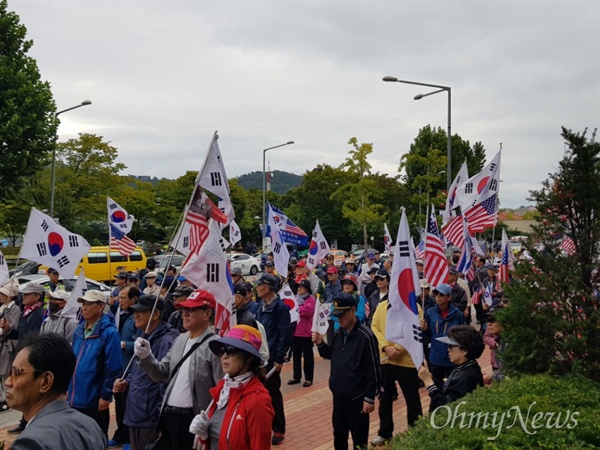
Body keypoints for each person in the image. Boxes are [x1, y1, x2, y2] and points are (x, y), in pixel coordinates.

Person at [135, 289, 223, 450]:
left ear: (207, 313)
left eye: (191, 310)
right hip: (168, 417)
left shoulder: (215, 346)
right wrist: (146, 357)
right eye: (184, 310)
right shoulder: (179, 340)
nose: (184, 314)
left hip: (193, 420)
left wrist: (211, 423)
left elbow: (222, 392)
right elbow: (161, 373)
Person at [6, 333, 107, 450]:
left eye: (16, 373)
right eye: (10, 373)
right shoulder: (91, 426)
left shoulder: (30, 443)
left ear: (45, 381)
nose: (8, 382)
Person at [188, 325, 275, 450]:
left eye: (231, 349)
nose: (224, 356)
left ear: (249, 357)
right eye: (222, 350)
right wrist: (205, 436)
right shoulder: (223, 390)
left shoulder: (258, 401)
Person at [312, 293, 381, 450]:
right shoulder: (339, 333)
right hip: (339, 398)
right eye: (336, 315)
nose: (338, 319)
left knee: (359, 441)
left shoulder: (366, 336)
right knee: (339, 437)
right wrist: (321, 344)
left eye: (341, 315)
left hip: (357, 399)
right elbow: (332, 355)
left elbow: (374, 369)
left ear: (353, 311)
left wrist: (370, 398)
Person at [113, 296, 179, 450]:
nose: (135, 315)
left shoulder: (166, 341)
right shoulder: (144, 337)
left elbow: (165, 380)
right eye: (134, 311)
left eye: (141, 312)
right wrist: (126, 382)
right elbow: (138, 371)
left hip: (150, 417)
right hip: (136, 411)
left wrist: (162, 421)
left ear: (155, 314)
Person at [369, 295, 423, 446]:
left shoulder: (413, 307)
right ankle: (384, 433)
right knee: (385, 399)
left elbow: (415, 330)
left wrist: (398, 349)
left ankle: (416, 431)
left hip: (406, 362)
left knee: (412, 399)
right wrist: (386, 347)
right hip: (385, 360)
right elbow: (375, 327)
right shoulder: (381, 307)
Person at [68, 289, 122, 437]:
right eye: (83, 303)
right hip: (74, 397)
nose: (84, 308)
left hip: (94, 400)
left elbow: (113, 367)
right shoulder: (79, 330)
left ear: (100, 307)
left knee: (95, 439)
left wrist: (105, 395)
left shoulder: (109, 333)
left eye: (89, 304)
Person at [255, 273, 291, 445]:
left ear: (267, 288)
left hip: (272, 357)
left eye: (259, 285)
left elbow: (284, 334)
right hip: (259, 355)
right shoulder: (258, 306)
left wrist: (279, 359)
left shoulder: (280, 308)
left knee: (273, 393)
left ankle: (279, 429)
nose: (256, 288)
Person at [418, 325, 484, 411]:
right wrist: (432, 379)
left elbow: (445, 406)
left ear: (464, 350)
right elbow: (449, 390)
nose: (448, 349)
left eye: (451, 346)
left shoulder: (468, 376)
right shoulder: (464, 367)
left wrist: (428, 382)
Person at [109, 285, 141, 449]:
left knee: (130, 405)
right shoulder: (117, 315)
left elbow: (143, 341)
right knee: (120, 405)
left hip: (132, 367)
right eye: (118, 297)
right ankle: (120, 434)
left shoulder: (138, 317)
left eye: (123, 298)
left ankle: (130, 439)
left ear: (134, 299)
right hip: (119, 366)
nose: (119, 301)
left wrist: (125, 344)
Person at [421, 283, 465, 385]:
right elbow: (427, 335)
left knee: (454, 386)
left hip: (452, 357)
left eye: (441, 295)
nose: (438, 297)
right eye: (436, 295)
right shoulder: (430, 312)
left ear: (449, 297)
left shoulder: (457, 314)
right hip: (436, 357)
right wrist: (425, 329)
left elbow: (463, 334)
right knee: (437, 386)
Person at [287, 279, 316, 387]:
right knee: (296, 356)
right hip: (295, 332)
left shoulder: (311, 299)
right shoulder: (295, 298)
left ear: (307, 289)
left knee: (308, 356)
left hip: (306, 332)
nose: (299, 288)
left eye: (302, 287)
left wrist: (296, 307)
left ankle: (309, 378)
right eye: (299, 287)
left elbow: (307, 311)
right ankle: (296, 376)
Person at [0, 280, 20, 413]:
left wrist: (4, 328)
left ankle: (7, 399)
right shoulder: (2, 308)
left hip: (7, 345)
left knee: (5, 372)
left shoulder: (14, 309)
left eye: (3, 294)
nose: (1, 296)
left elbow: (12, 326)